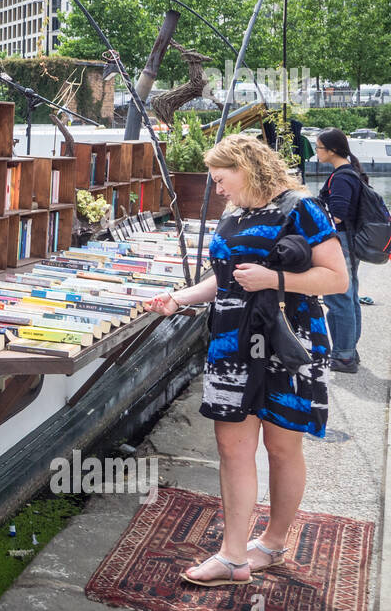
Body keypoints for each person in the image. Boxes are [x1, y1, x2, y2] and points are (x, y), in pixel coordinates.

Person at [149, 134, 348, 587]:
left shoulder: (302, 207)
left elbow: (336, 279)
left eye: (221, 179)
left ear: (246, 168)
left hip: (288, 340)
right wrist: (179, 299)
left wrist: (271, 278)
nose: (217, 189)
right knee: (231, 448)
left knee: (281, 447)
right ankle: (233, 556)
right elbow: (225, 281)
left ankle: (273, 543)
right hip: (231, 342)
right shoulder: (235, 211)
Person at [314, 128, 366, 373]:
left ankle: (343, 355)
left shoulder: (342, 178)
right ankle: (349, 351)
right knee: (350, 296)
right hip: (351, 241)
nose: (316, 153)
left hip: (341, 242)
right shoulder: (352, 173)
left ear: (332, 150)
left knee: (339, 298)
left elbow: (337, 215)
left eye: (319, 148)